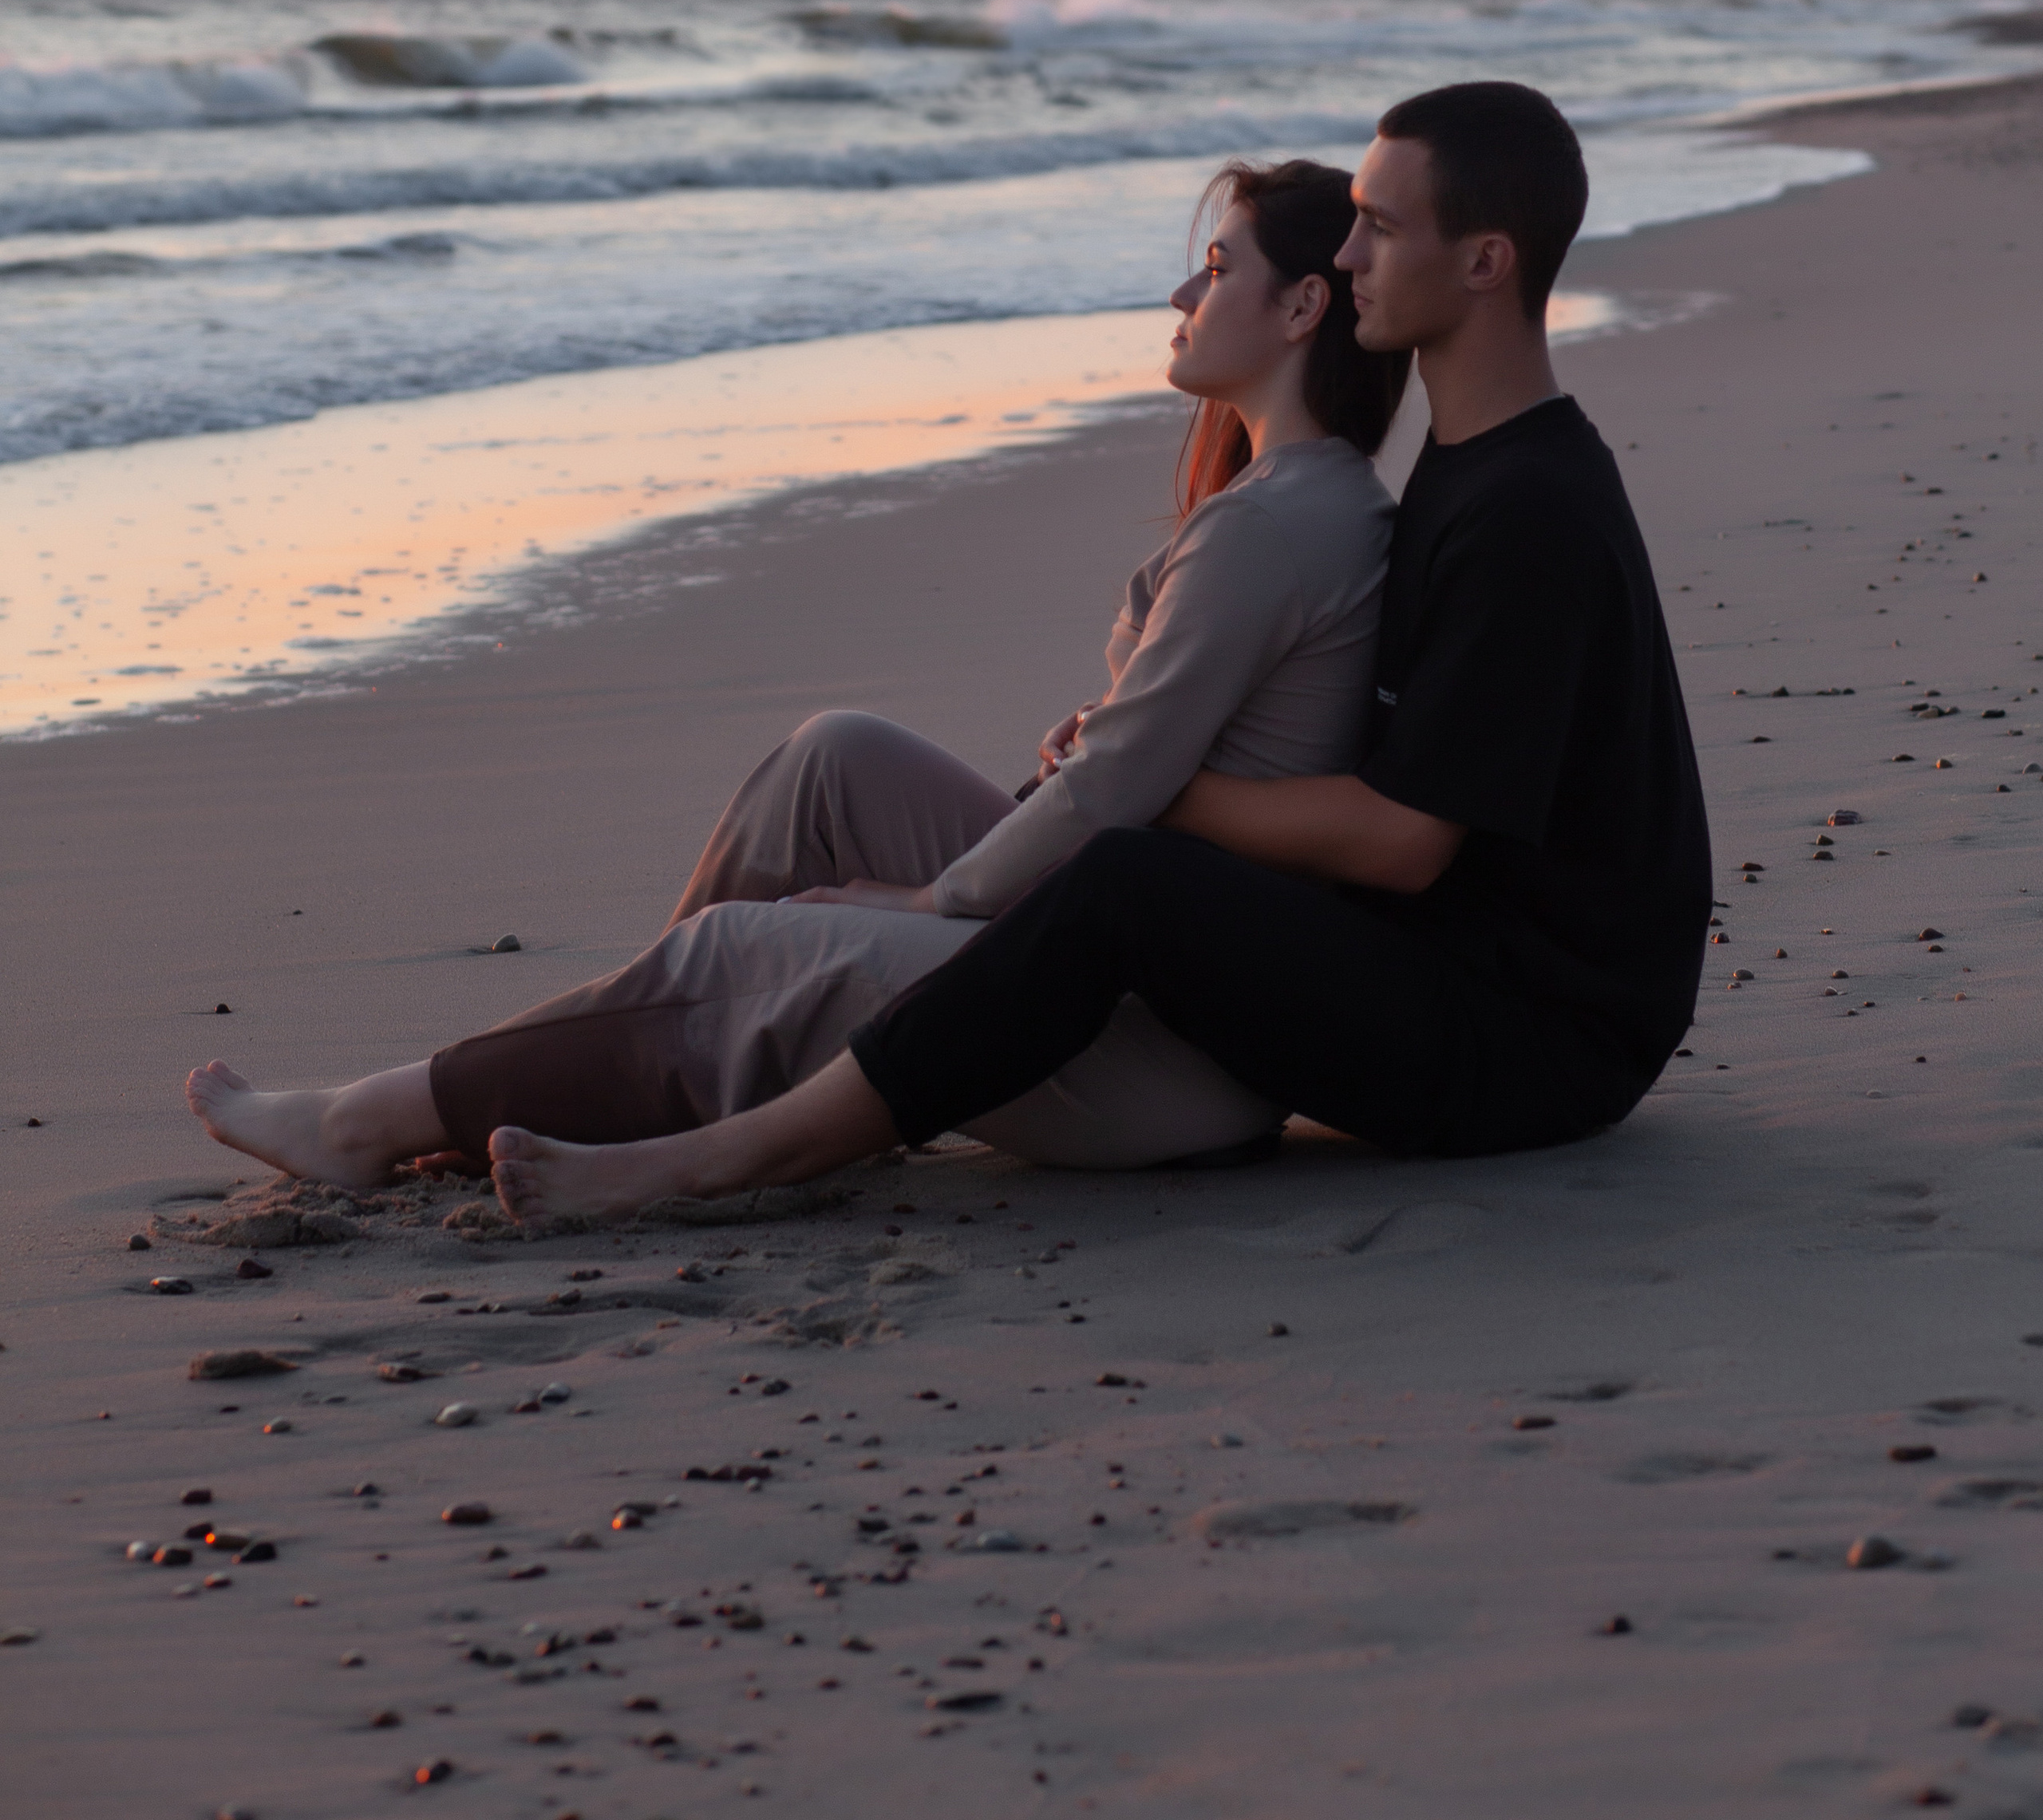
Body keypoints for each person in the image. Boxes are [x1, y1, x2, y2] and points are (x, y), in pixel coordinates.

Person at [465, 79, 1715, 1225]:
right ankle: (640, 1075)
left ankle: (723, 1155)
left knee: (1126, 874)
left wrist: (1166, 786)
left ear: (1486, 261)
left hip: (1530, 1046)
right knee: (933, 795)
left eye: (1381, 229)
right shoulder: (1463, 467)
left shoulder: (1530, 511)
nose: (1347, 252)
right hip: (1448, 978)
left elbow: (1404, 839)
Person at [185, 159, 1409, 1190]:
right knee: (836, 760)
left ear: (1303, 309)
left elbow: (1116, 793)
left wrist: (921, 905)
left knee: (749, 948)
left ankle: (368, 1123)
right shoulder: (1283, 506)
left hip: (1153, 1053)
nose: (1184, 291)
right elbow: (1147, 762)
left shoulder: (1273, 527)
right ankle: (590, 1079)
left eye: (1220, 265)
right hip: (1130, 976)